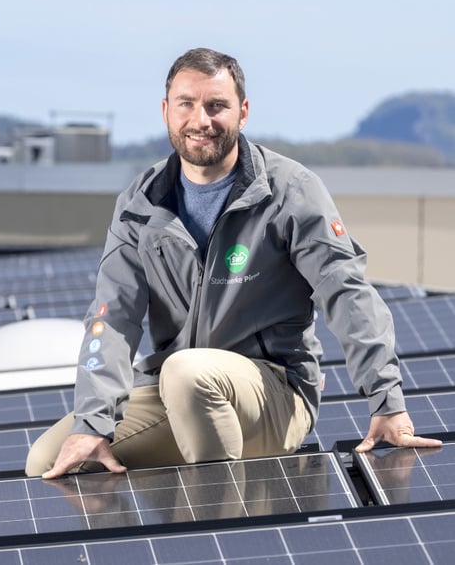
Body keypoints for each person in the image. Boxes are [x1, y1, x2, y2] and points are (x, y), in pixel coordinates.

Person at [25, 47, 440, 479]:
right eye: (186, 104)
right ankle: (148, 541)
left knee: (189, 373)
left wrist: (386, 400)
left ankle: (225, 529)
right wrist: (93, 422)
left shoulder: (289, 191)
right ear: (167, 111)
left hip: (275, 390)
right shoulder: (140, 203)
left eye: (216, 105)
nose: (200, 120)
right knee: (49, 462)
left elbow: (347, 293)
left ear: (242, 112)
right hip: (175, 388)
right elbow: (111, 318)